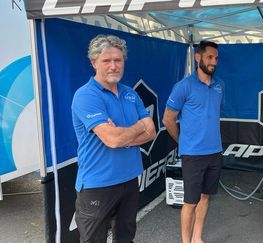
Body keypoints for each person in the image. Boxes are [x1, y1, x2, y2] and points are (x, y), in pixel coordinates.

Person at [71, 34, 156, 243]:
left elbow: (152, 131)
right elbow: (113, 139)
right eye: (106, 61)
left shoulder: (130, 94)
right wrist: (137, 126)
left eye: (118, 60)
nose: (113, 66)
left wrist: (123, 134)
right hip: (97, 184)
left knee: (126, 237)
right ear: (93, 63)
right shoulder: (86, 96)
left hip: (129, 179)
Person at [162, 40, 223, 243]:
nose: (213, 61)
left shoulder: (219, 85)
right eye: (209, 57)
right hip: (193, 155)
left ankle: (197, 238)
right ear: (198, 57)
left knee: (205, 197)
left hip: (214, 152)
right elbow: (167, 119)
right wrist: (183, 142)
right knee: (190, 202)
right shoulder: (183, 86)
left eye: (216, 58)